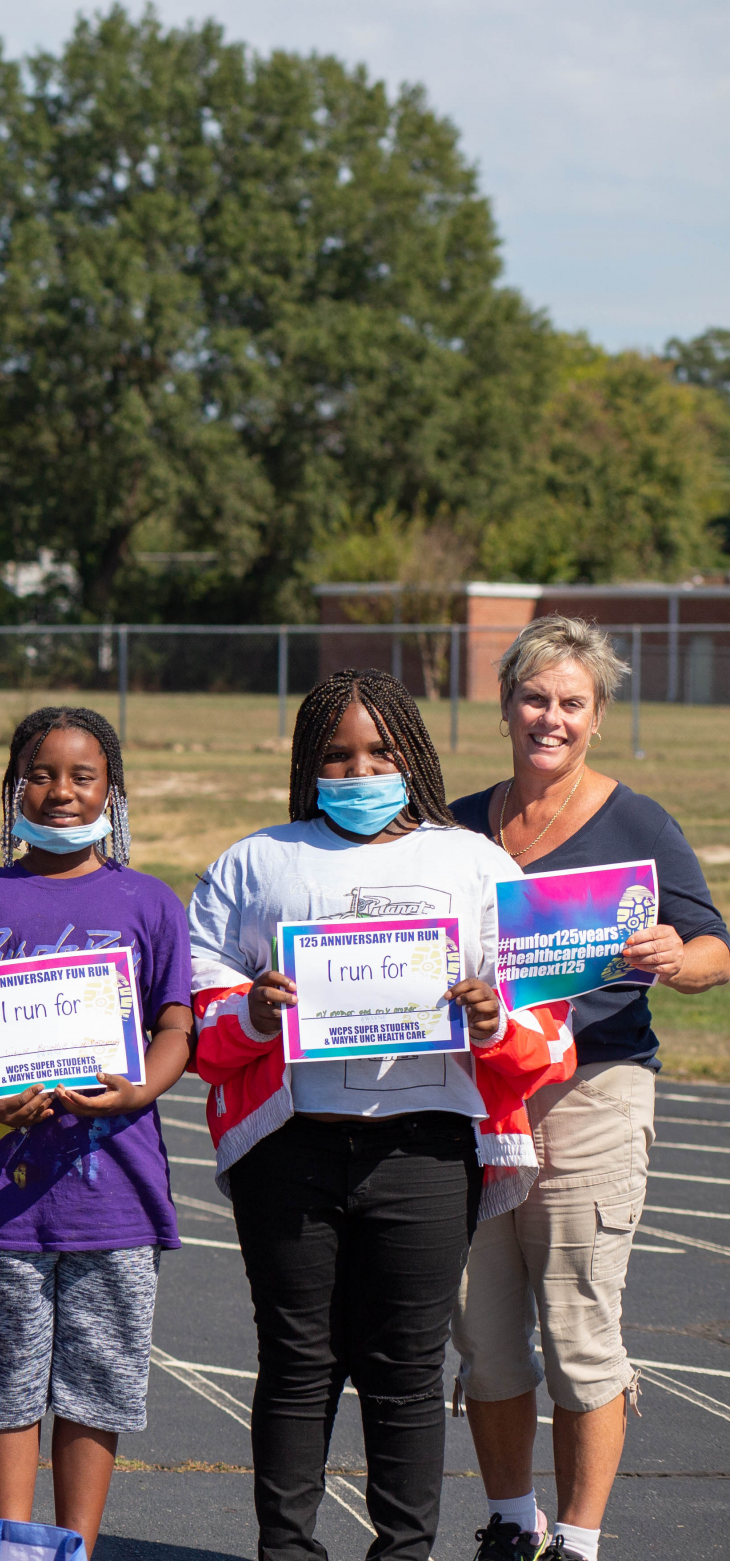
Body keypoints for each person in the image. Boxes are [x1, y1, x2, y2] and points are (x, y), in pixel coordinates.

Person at [187, 669, 575, 1561]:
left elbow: (544, 1015)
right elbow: (196, 1001)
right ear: (307, 762)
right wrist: (253, 1010)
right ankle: (287, 1550)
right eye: (337, 754)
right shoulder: (257, 862)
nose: (359, 769)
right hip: (291, 1149)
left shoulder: (473, 861)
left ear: (415, 755)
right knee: (297, 1365)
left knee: (406, 1374)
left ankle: (402, 1552)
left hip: (427, 1150)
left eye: (379, 751)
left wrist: (491, 1017)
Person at [448, 617, 730, 1561]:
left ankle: (576, 1539)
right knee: (484, 1333)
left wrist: (677, 959)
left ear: (599, 715)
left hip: (595, 1089)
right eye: (535, 697)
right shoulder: (457, 823)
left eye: (572, 702)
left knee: (576, 1327)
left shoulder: (638, 822)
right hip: (477, 1102)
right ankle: (507, 1519)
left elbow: (714, 946)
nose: (551, 718)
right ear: (504, 706)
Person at [0, 708, 189, 1558]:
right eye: (41, 773)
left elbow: (177, 1024)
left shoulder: (150, 900)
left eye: (81, 775)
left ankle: (75, 1548)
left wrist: (139, 1088)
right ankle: (13, 1546)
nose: (60, 791)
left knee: (98, 1385)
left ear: (112, 790)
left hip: (117, 1194)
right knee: (7, 1381)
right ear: (14, 786)